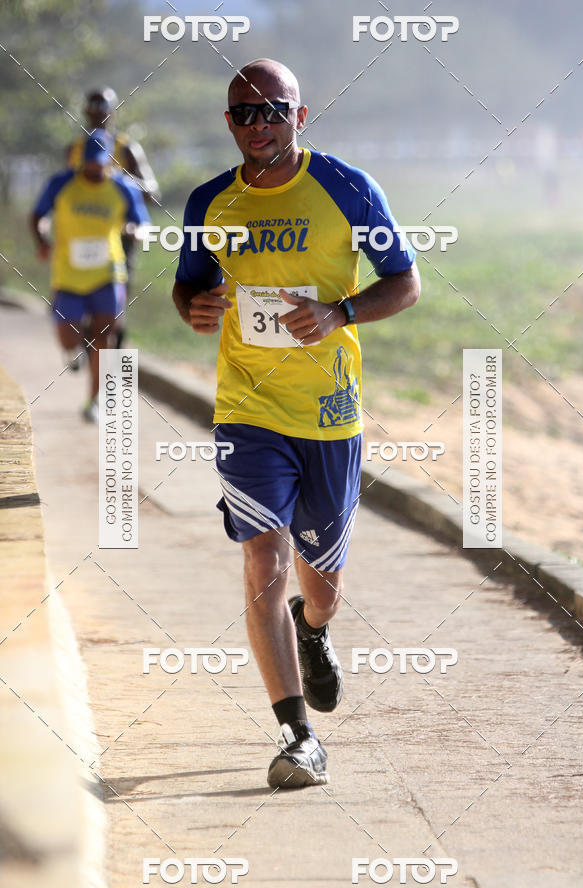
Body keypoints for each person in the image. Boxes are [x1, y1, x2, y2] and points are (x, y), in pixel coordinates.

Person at [172, 59, 420, 788]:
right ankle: (296, 735)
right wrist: (195, 309)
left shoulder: (347, 188)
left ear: (300, 117)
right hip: (247, 409)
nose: (259, 126)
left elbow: (405, 283)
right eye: (244, 114)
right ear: (229, 124)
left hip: (330, 414)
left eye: (273, 111)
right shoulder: (209, 202)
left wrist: (340, 312)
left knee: (321, 587)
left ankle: (312, 630)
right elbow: (190, 289)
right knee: (263, 559)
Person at [31, 129, 149, 422]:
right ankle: (75, 350)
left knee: (105, 337)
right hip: (68, 274)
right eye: (90, 163)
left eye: (100, 163)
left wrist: (135, 231)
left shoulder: (124, 188)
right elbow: (38, 215)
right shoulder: (61, 184)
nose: (95, 169)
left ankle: (94, 401)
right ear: (82, 161)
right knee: (67, 337)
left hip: (108, 272)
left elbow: (142, 222)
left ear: (109, 160)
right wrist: (42, 240)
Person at [66, 87, 161, 347]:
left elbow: (152, 191)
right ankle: (87, 350)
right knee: (82, 300)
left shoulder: (127, 148)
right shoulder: (74, 149)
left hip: (119, 237)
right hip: (80, 236)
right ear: (85, 112)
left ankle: (115, 376)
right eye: (93, 109)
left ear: (113, 113)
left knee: (115, 310)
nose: (99, 115)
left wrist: (119, 179)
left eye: (104, 110)